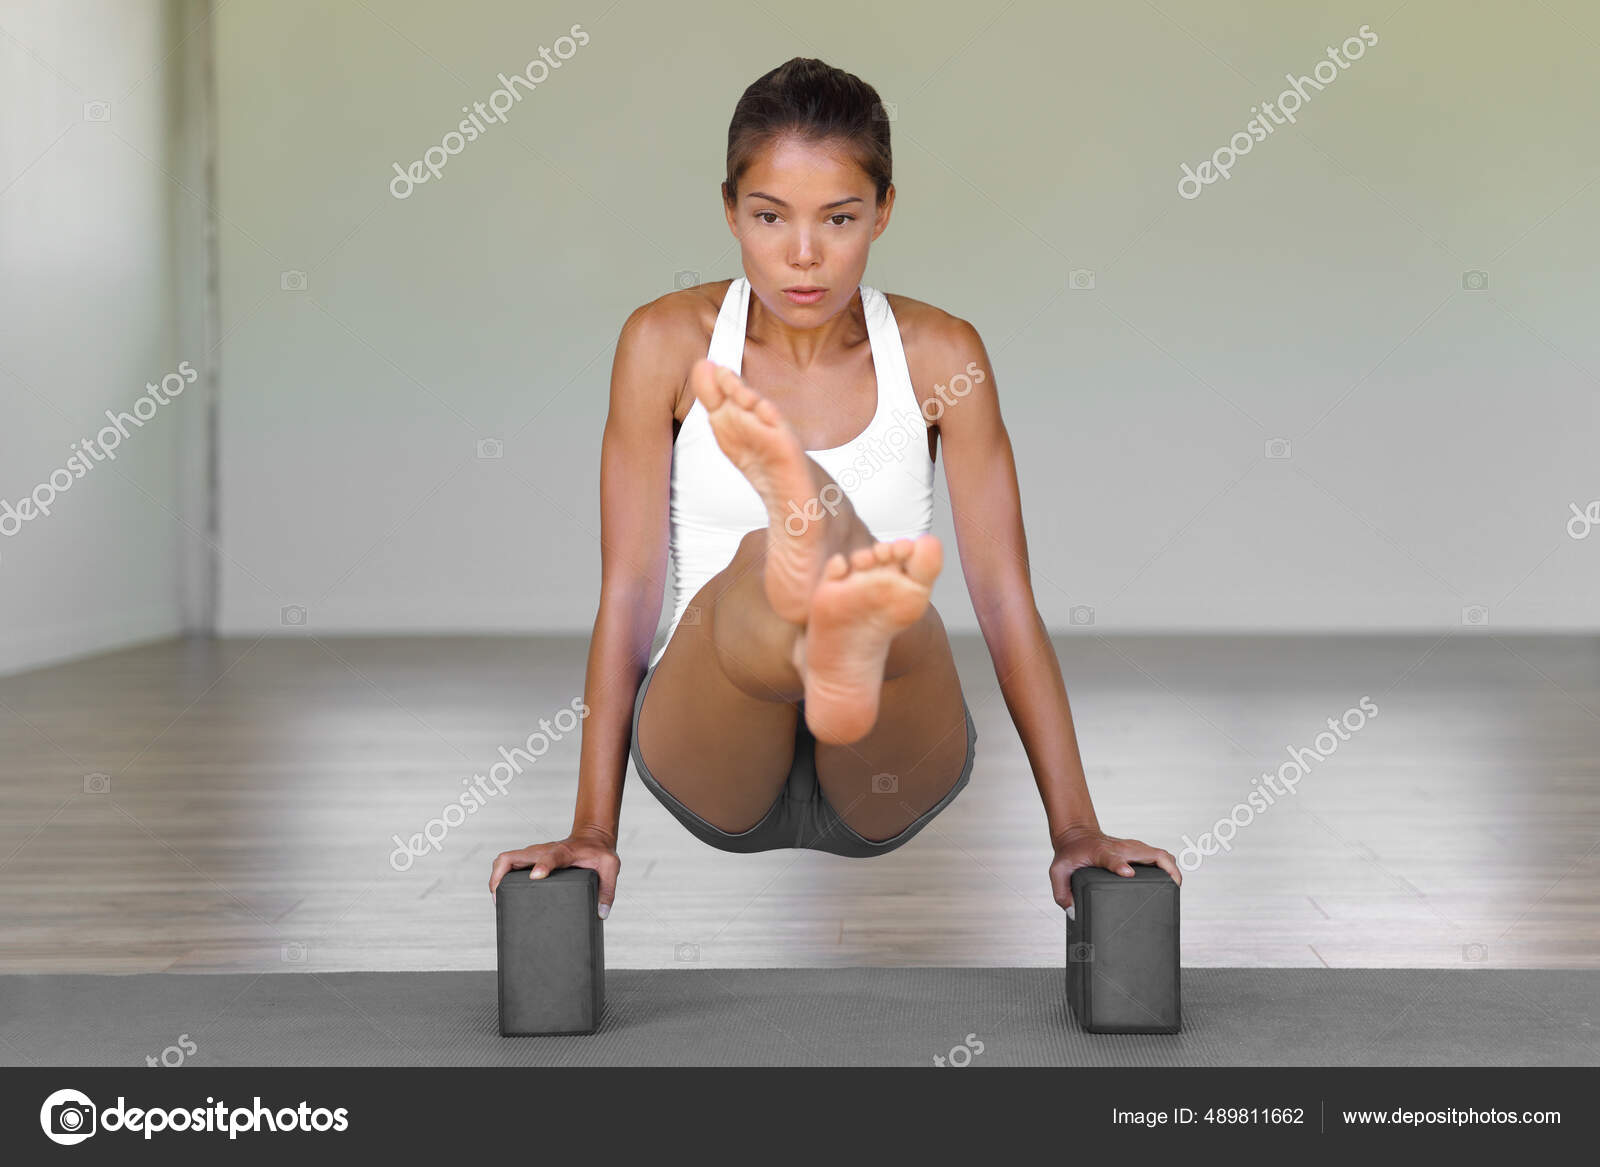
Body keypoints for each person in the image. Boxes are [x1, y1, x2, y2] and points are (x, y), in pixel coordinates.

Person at [489, 57, 1179, 920]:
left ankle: (834, 580)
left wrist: (1076, 829)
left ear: (884, 211)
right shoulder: (666, 343)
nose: (803, 256)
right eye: (769, 216)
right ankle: (812, 562)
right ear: (730, 211)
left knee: (899, 610)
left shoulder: (941, 356)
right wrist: (592, 828)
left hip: (885, 759)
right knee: (763, 568)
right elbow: (628, 592)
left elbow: (1004, 601)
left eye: (840, 218)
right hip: (719, 736)